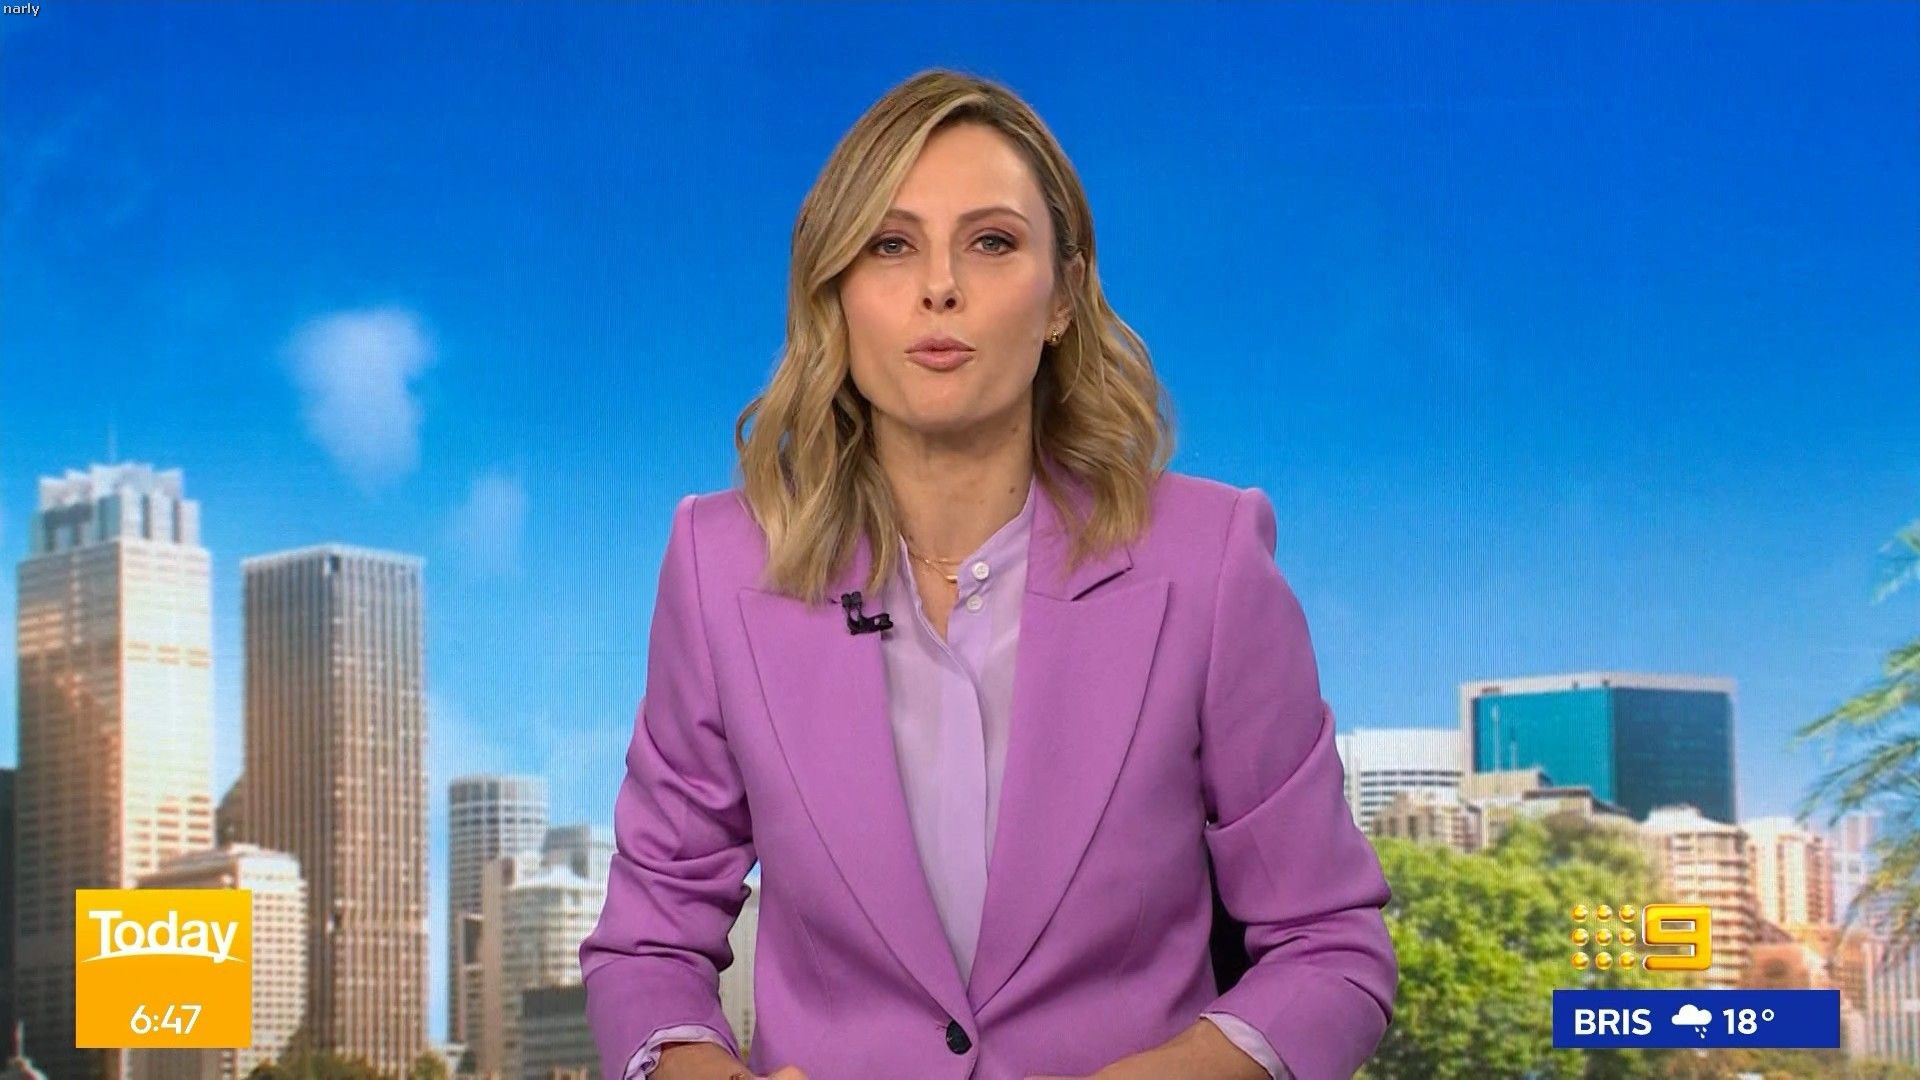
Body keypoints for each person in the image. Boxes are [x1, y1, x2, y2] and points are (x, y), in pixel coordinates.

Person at [579, 68, 1397, 1080]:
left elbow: (1331, 947)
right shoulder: (718, 563)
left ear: (1063, 297)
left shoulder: (1208, 558)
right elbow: (647, 945)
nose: (940, 288)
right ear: (835, 293)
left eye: (992, 242)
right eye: (890, 245)